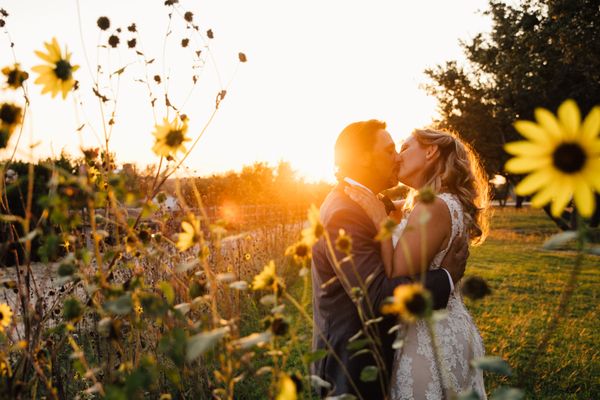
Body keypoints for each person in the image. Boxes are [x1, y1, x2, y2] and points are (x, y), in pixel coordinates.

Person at [311, 120, 469, 398]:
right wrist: (444, 278)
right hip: (352, 366)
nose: (397, 157)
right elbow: (376, 297)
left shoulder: (365, 202)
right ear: (362, 158)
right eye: (389, 150)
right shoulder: (346, 212)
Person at [345, 128, 490, 399]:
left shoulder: (433, 206)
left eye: (405, 148)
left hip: (427, 337)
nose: (398, 157)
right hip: (447, 324)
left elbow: (395, 274)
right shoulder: (444, 202)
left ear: (431, 151)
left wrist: (381, 220)